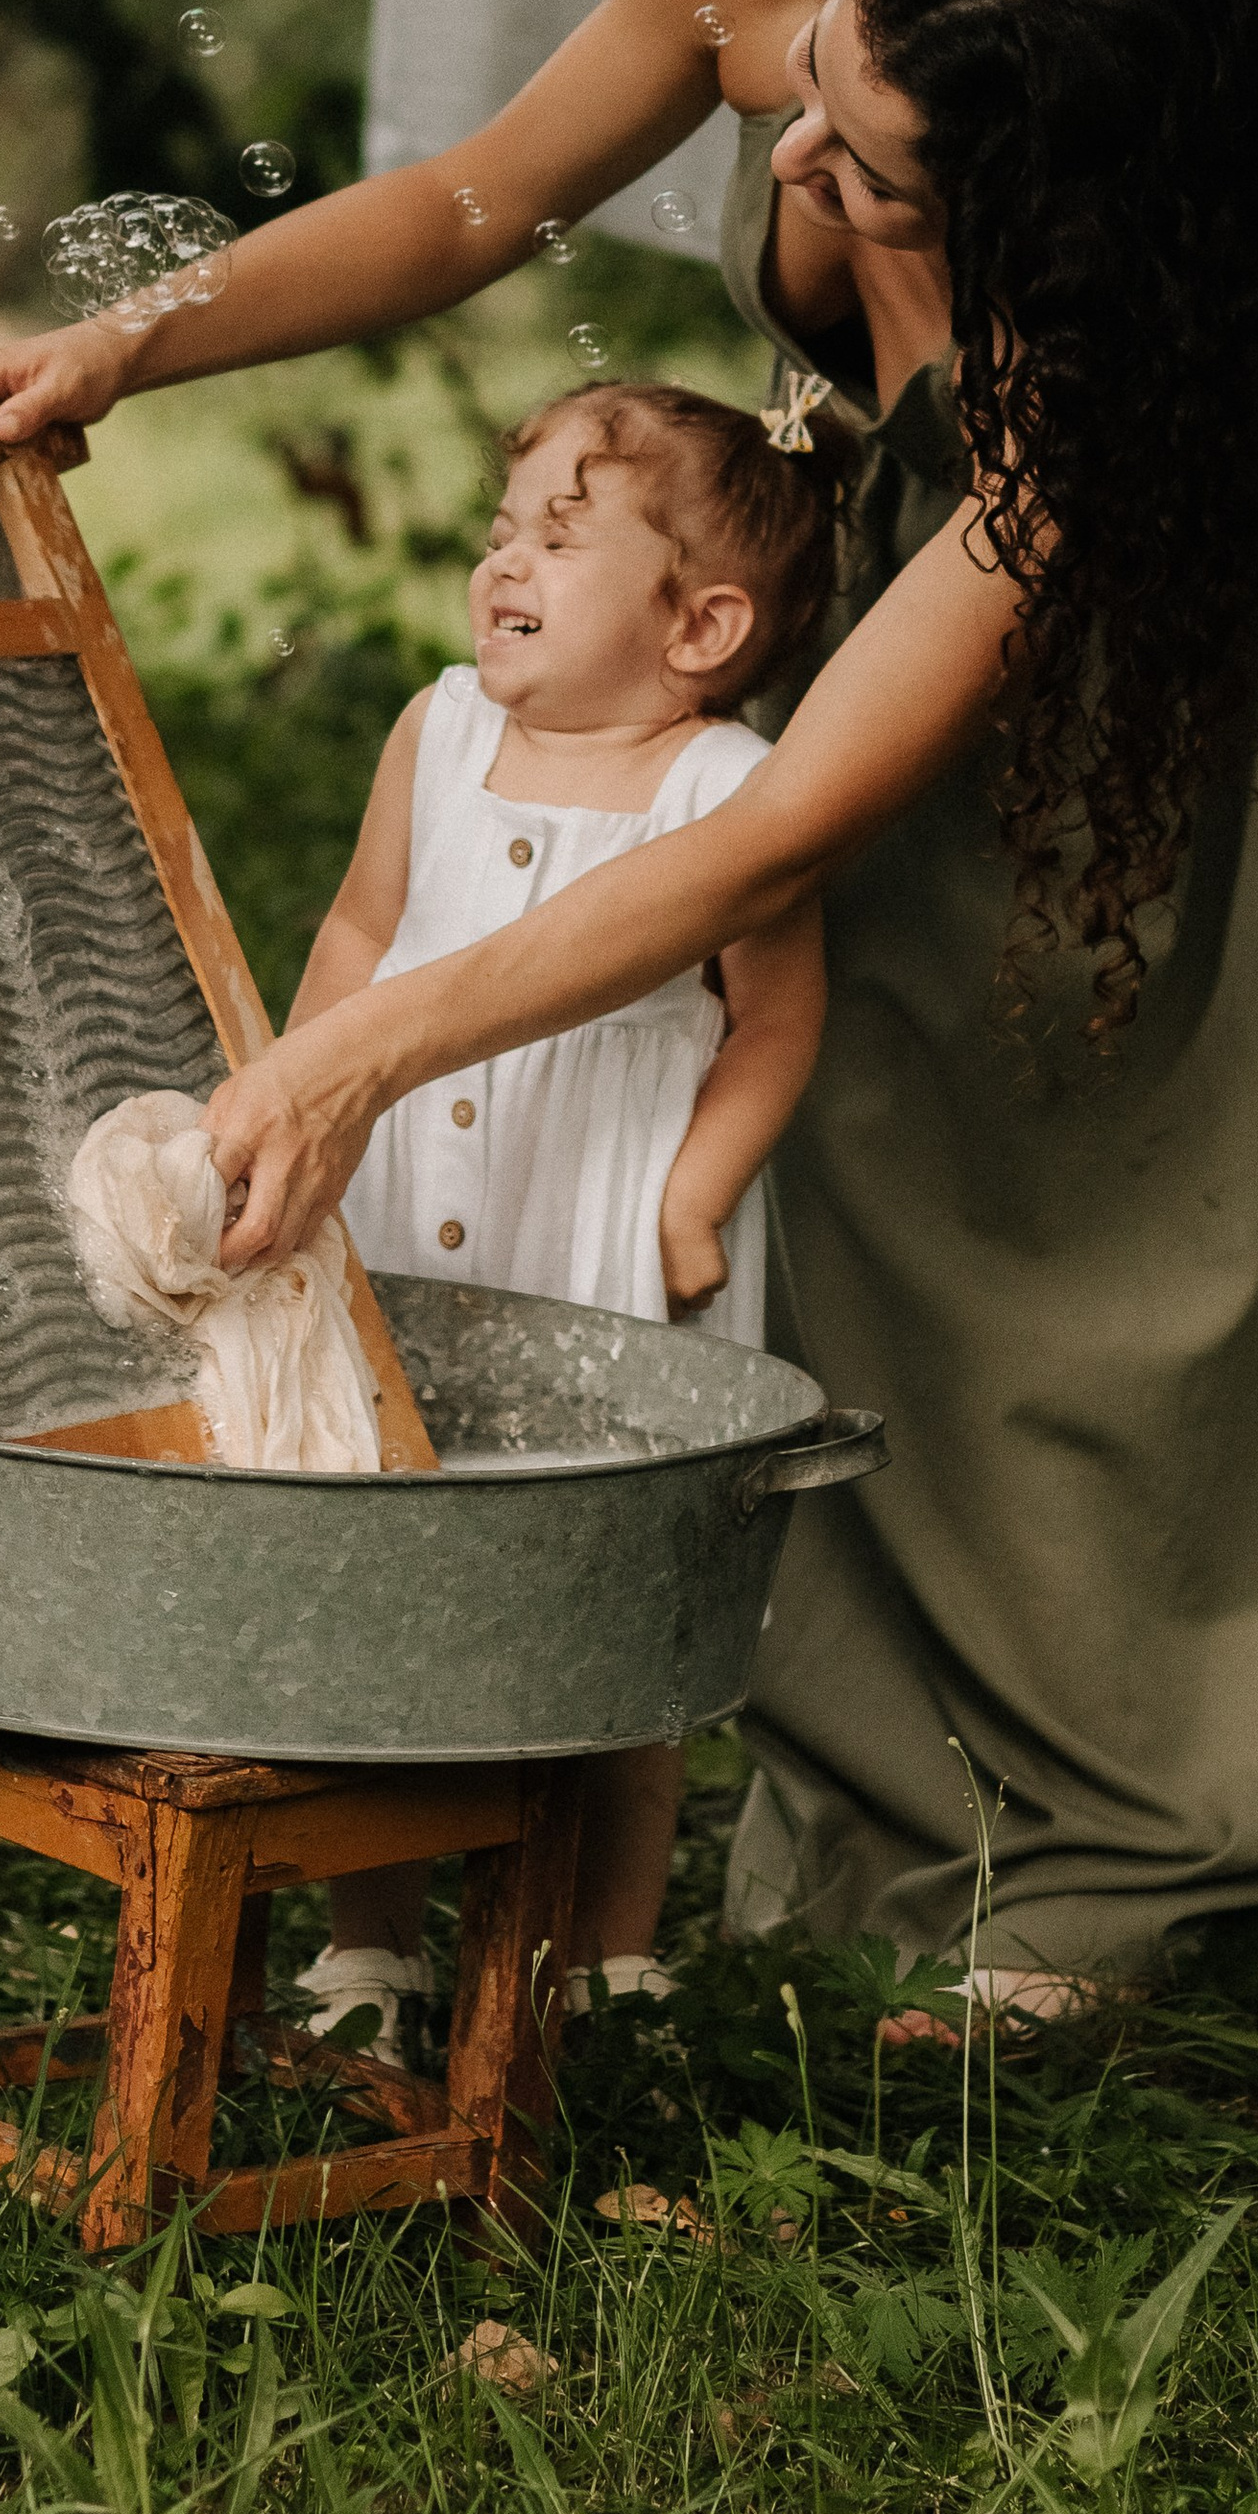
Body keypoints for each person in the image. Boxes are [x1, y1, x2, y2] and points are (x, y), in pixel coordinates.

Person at [0, 0, 1258, 2028]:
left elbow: (772, 827)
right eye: (808, 80)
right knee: (848, 1125)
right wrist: (128, 344)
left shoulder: (1110, 383)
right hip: (869, 583)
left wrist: (355, 1052)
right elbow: (464, 206)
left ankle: (1131, 1782)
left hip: (1129, 651)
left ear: (1038, 218)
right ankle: (865, 1735)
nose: (790, 151)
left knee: (1069, 1172)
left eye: (866, 174)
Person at [287, 380, 837, 2060]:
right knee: (382, 1586)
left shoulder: (731, 787)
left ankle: (601, 1962)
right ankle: (370, 1953)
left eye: (559, 535)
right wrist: (302, 1106)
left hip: (598, 1243)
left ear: (701, 625)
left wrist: (693, 1197)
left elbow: (774, 1021)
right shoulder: (439, 732)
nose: (502, 560)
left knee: (614, 1611)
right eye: (501, 527)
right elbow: (362, 933)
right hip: (409, 1220)